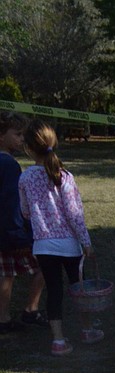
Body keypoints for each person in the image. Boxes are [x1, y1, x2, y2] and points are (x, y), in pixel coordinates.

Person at [18, 119, 97, 356]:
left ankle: (58, 341)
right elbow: (75, 214)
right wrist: (86, 242)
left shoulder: (25, 178)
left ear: (29, 148)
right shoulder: (65, 176)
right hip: (69, 245)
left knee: (54, 291)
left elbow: (25, 212)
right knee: (78, 288)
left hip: (43, 245)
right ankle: (87, 329)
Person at [0, 111, 48, 333]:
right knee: (44, 265)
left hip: (6, 231)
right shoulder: (9, 165)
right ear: (2, 136)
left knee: (6, 274)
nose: (21, 139)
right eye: (17, 134)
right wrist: (19, 235)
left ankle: (4, 317)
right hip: (11, 232)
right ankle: (30, 309)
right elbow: (11, 204)